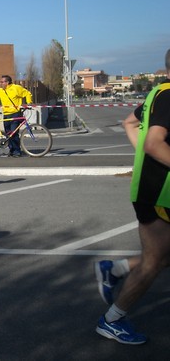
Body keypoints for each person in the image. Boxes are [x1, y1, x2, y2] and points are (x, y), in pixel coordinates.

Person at [94, 49, 170, 345]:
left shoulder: (158, 93)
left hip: (153, 188)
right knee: (154, 261)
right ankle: (112, 320)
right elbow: (153, 143)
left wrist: (145, 157)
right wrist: (149, 154)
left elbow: (129, 123)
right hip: (158, 193)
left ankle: (115, 269)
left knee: (163, 257)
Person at [0, 75, 32, 157]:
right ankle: (11, 150)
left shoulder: (16, 88)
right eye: (0, 82)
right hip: (6, 114)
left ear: (7, 82)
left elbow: (27, 93)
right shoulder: (0, 91)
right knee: (8, 134)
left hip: (15, 113)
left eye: (2, 82)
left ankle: (17, 151)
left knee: (14, 133)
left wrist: (29, 103)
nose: (0, 83)